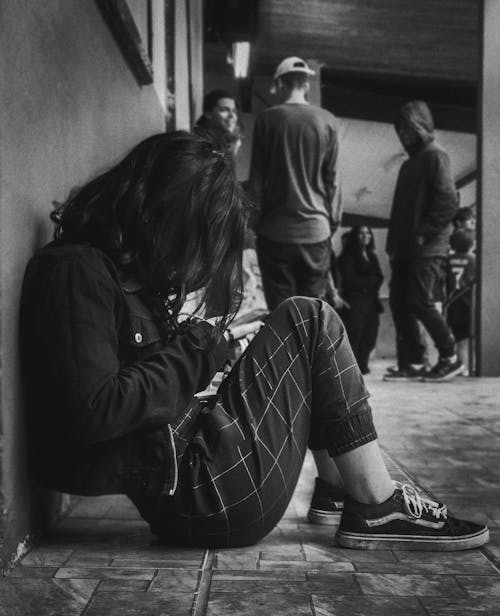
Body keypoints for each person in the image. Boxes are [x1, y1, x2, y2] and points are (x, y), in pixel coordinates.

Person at [20, 131, 488, 552]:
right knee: (309, 317)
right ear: (157, 213)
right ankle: (376, 502)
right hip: (204, 495)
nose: (191, 262)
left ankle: (338, 488)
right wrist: (198, 349)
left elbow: (152, 389)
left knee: (295, 330)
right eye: (194, 240)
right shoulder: (74, 271)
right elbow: (94, 411)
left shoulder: (124, 276)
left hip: (203, 476)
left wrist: (216, 360)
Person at [249, 56, 343, 312]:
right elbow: (332, 181)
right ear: (307, 85)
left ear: (279, 84)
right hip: (316, 232)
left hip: (274, 233)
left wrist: (254, 223)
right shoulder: (327, 121)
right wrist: (330, 223)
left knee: (282, 318)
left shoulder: (267, 120)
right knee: (311, 316)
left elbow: (256, 180)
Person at [384, 100, 463, 382]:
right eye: (400, 130)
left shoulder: (435, 155)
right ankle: (414, 361)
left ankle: (450, 356)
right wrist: (392, 244)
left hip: (428, 247)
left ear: (421, 126)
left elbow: (448, 200)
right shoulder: (409, 165)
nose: (403, 135)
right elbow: (399, 210)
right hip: (406, 249)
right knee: (398, 302)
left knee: (419, 301)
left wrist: (424, 232)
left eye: (408, 128)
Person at [338, 225, 384, 375]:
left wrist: (366, 282)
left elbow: (380, 278)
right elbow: (351, 281)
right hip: (355, 302)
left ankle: (362, 366)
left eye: (368, 233)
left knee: (370, 334)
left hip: (371, 302)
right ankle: (352, 368)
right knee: (355, 334)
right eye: (361, 233)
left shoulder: (372, 256)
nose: (365, 236)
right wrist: (371, 281)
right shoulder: (347, 256)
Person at [445, 229, 476, 375]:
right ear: (472, 244)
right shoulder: (474, 260)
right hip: (471, 305)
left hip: (453, 305)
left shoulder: (447, 260)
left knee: (460, 340)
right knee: (472, 339)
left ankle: (463, 367)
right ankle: (471, 367)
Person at [195, 89, 241, 157]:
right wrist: (231, 154)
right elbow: (212, 156)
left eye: (234, 111)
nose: (232, 115)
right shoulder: (197, 141)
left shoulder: (229, 140)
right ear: (208, 114)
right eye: (224, 110)